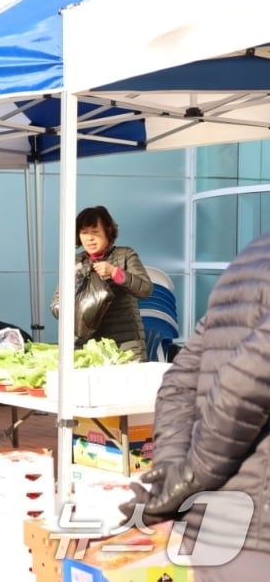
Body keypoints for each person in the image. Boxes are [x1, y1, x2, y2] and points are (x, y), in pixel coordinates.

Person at [118, 230, 270, 582]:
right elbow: (248, 376)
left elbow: (181, 378)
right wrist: (187, 474)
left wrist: (174, 470)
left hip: (217, 525)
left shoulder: (252, 254)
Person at [49, 205, 152, 360]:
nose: (89, 238)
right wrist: (70, 298)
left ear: (108, 231)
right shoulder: (75, 262)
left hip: (125, 345)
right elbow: (56, 305)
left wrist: (115, 272)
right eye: (84, 232)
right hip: (87, 347)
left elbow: (145, 289)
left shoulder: (125, 255)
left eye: (95, 232)